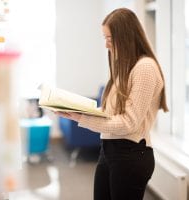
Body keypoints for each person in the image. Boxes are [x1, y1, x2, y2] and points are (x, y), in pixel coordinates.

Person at [55, 8, 169, 200]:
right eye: (104, 38)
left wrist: (83, 119)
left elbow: (128, 123)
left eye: (110, 38)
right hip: (109, 151)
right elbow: (110, 112)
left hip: (130, 155)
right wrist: (75, 112)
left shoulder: (145, 68)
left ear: (125, 36)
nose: (107, 45)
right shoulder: (125, 67)